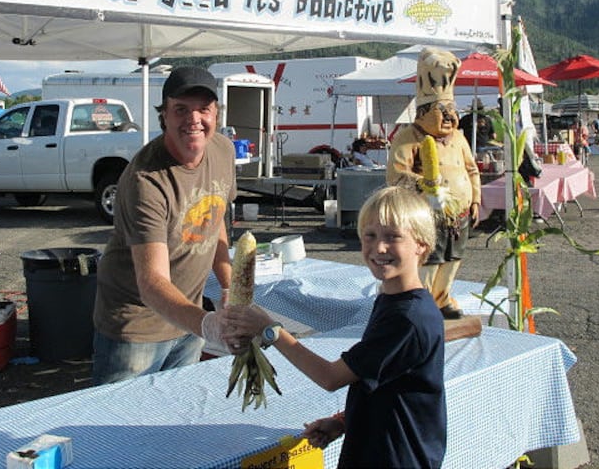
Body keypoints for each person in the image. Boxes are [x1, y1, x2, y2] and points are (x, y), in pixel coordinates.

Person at [224, 186, 445, 468]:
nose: (379, 247)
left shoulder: (407, 318)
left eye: (393, 237)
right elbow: (383, 381)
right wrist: (342, 421)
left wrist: (271, 330)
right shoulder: (394, 299)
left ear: (421, 245)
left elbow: (330, 377)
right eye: (370, 235)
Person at [92, 66, 238, 385]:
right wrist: (209, 325)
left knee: (170, 417)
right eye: (181, 109)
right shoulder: (145, 179)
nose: (193, 119)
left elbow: (216, 222)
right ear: (164, 116)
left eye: (203, 109)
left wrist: (230, 287)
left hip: (190, 318)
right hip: (136, 327)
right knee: (117, 424)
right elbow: (152, 282)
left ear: (217, 113)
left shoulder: (223, 150)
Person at [386, 48, 481, 320]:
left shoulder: (460, 138)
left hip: (459, 213)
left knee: (454, 258)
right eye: (443, 111)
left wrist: (475, 200)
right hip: (426, 212)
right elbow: (396, 174)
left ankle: (442, 298)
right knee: (429, 257)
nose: (450, 116)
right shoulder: (409, 136)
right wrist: (427, 185)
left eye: (452, 110)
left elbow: (472, 170)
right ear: (424, 112)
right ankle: (422, 299)